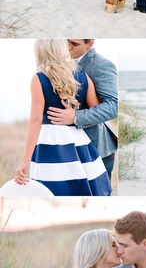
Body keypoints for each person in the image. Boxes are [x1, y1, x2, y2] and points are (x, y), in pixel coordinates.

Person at [14, 39, 111, 196]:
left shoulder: (39, 79)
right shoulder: (83, 77)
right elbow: (96, 110)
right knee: (81, 188)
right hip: (79, 142)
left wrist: (25, 160)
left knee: (51, 191)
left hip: (49, 144)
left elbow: (35, 120)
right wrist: (76, 114)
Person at [46, 38, 118, 186]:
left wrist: (76, 117)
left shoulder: (102, 65)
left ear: (90, 44)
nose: (68, 46)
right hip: (67, 144)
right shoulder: (62, 63)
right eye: (67, 41)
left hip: (96, 144)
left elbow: (112, 107)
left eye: (75, 44)